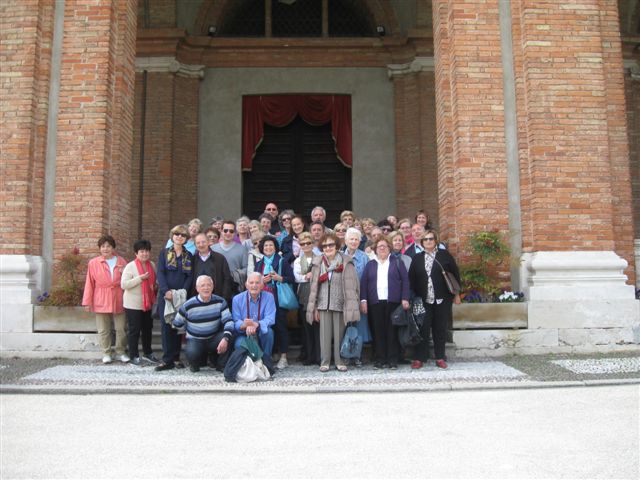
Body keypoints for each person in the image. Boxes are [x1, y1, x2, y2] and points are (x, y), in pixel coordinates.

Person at [307, 232, 360, 372]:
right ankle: (325, 362)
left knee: (339, 335)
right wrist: (315, 307)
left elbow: (353, 285)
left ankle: (339, 361)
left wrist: (351, 304)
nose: (328, 248)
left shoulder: (346, 261)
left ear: (337, 246)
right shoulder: (317, 262)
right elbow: (313, 287)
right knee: (324, 336)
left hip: (340, 303)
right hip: (323, 304)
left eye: (331, 245)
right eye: (324, 246)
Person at [409, 230, 461, 370]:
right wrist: (412, 297)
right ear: (422, 242)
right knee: (423, 328)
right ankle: (420, 358)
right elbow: (411, 278)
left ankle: (440, 357)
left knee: (440, 328)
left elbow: (455, 274)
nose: (428, 241)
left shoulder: (445, 255)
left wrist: (456, 295)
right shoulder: (417, 258)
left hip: (442, 299)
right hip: (423, 299)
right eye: (425, 239)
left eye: (431, 239)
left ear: (435, 240)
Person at [360, 236, 410, 370]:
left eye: (385, 246)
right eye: (379, 246)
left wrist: (405, 298)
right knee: (378, 332)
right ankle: (380, 359)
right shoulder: (370, 264)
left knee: (392, 331)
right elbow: (364, 283)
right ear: (375, 249)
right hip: (375, 303)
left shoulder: (397, 262)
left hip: (393, 301)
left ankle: (392, 360)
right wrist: (363, 300)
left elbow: (405, 281)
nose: (382, 248)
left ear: (389, 248)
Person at [82, 235, 129, 364]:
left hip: (119, 296)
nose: (105, 249)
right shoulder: (93, 263)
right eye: (103, 246)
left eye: (108, 246)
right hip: (101, 296)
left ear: (113, 248)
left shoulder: (121, 261)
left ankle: (121, 352)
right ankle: (106, 353)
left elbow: (127, 280)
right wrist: (87, 302)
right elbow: (89, 283)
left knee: (121, 328)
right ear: (99, 248)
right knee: (103, 329)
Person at [172, 275, 233, 373]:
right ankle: (194, 365)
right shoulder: (188, 305)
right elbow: (177, 323)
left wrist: (225, 338)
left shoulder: (220, 302)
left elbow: (228, 321)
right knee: (192, 352)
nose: (206, 288)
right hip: (195, 340)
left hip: (213, 338)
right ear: (197, 288)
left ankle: (221, 365)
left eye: (209, 285)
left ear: (212, 287)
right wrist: (186, 331)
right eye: (202, 285)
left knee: (230, 335)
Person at [155, 225, 193, 371]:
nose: (179, 237)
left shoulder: (189, 255)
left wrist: (182, 292)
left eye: (183, 235)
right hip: (166, 296)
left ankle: (176, 357)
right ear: (172, 236)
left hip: (181, 296)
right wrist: (166, 291)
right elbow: (160, 272)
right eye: (177, 234)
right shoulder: (164, 253)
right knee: (166, 327)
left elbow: (189, 276)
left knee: (178, 326)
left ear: (186, 238)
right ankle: (167, 359)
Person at [254, 235, 295, 369]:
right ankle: (271, 354)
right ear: (262, 248)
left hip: (277, 298)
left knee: (280, 326)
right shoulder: (259, 263)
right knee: (267, 327)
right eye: (266, 245)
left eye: (271, 245)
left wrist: (279, 278)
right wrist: (262, 280)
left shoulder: (282, 261)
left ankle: (283, 356)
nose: (268, 247)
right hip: (263, 299)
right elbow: (254, 280)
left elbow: (292, 278)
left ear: (275, 247)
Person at [121, 239, 158, 365]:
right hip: (133, 304)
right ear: (136, 253)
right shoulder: (130, 266)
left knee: (147, 329)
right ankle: (134, 356)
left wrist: (155, 286)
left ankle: (148, 353)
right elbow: (124, 284)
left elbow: (154, 281)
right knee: (134, 330)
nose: (144, 254)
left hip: (148, 303)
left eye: (147, 251)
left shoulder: (152, 265)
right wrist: (140, 279)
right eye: (141, 251)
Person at [341, 227, 373, 366]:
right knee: (344, 327)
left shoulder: (364, 257)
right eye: (351, 239)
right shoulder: (339, 256)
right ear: (346, 240)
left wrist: (364, 299)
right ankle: (345, 354)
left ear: (360, 241)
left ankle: (357, 355)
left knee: (359, 329)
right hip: (343, 299)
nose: (354, 241)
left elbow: (367, 281)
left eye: (356, 239)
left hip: (359, 298)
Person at [232, 272, 276, 358]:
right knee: (239, 344)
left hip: (261, 331)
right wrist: (244, 325)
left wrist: (257, 324)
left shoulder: (269, 297)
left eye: (257, 282)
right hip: (244, 333)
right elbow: (236, 321)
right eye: (251, 283)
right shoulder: (237, 299)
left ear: (262, 285)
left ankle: (266, 360)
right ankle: (250, 362)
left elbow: (270, 318)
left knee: (269, 332)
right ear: (246, 285)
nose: (254, 285)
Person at [293, 232, 320, 365]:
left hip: (319, 293)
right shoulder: (298, 261)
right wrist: (307, 276)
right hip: (304, 294)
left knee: (318, 326)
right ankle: (310, 356)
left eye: (308, 243)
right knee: (307, 326)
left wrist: (311, 275)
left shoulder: (320, 258)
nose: (306, 245)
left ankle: (319, 356)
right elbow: (298, 278)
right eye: (303, 243)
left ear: (313, 244)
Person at [190, 232, 233, 306]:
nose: (201, 245)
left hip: (217, 299)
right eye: (198, 243)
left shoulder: (220, 258)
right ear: (195, 245)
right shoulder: (192, 260)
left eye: (203, 242)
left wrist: (224, 298)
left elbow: (227, 279)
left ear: (208, 242)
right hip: (197, 301)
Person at [211, 220, 248, 295]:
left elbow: (246, 268)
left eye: (231, 231)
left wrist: (235, 275)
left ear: (235, 233)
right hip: (216, 287)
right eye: (225, 230)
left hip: (235, 288)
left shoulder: (242, 249)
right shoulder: (212, 249)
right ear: (221, 231)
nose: (228, 233)